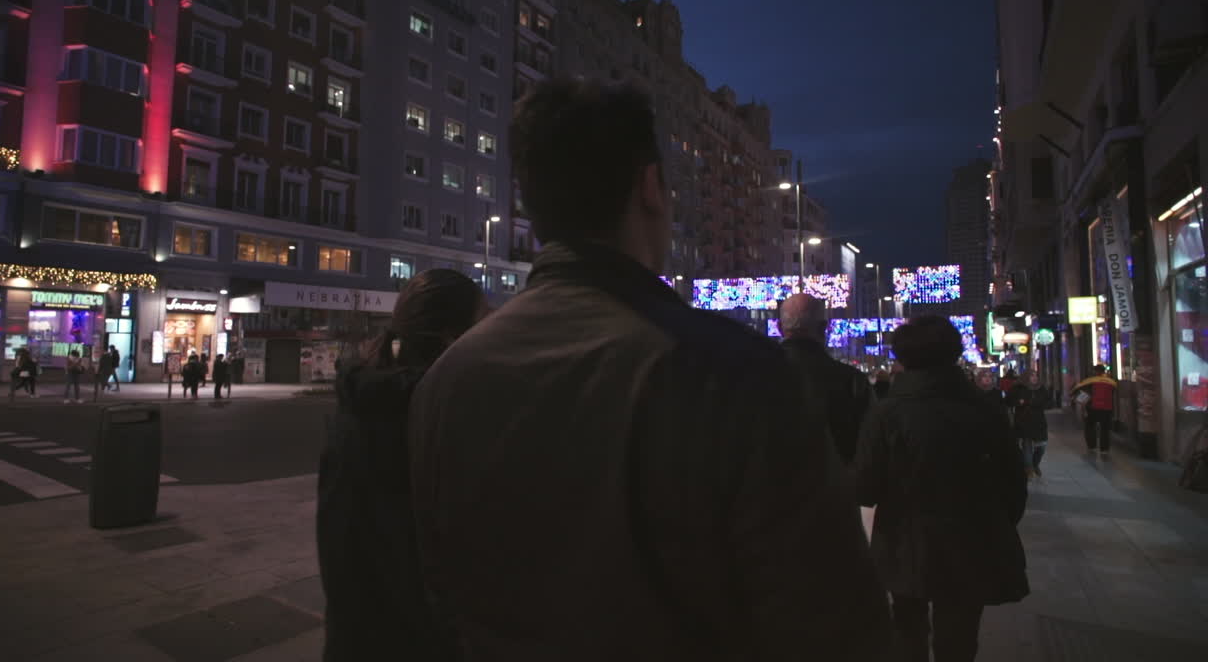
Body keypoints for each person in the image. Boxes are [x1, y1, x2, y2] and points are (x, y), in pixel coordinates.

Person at [408, 78, 892, 660]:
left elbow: (441, 599)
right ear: (651, 188)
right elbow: (835, 626)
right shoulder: (740, 374)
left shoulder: (446, 379)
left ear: (532, 206)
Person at [319, 269, 486, 662]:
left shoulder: (363, 402)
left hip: (354, 636)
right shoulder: (435, 413)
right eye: (483, 322)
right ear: (452, 336)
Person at [856, 316, 1029, 662]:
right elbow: (1013, 482)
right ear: (954, 353)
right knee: (960, 636)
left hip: (906, 540)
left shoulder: (887, 413)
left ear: (902, 358)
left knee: (908, 630)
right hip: (973, 537)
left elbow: (866, 487)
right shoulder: (985, 408)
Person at [778, 293, 875, 464]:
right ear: (824, 327)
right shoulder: (852, 381)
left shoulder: (751, 379)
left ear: (779, 328)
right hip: (837, 483)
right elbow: (869, 446)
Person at [1010, 372, 1051, 478]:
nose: (1034, 378)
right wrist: (1019, 402)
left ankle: (1035, 464)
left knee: (1041, 446)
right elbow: (1009, 401)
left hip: (1039, 422)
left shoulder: (1041, 388)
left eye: (1036, 376)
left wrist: (1040, 403)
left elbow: (1049, 402)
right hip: (1024, 422)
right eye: (1032, 376)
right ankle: (1029, 469)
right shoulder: (1018, 388)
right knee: (1027, 447)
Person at [1071, 364, 1118, 453]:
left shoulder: (1089, 381)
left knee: (1089, 426)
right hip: (1107, 408)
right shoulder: (1111, 382)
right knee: (1105, 429)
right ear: (1104, 371)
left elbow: (1077, 390)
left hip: (1092, 408)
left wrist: (1076, 399)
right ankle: (1104, 448)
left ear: (1094, 371)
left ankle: (1092, 445)